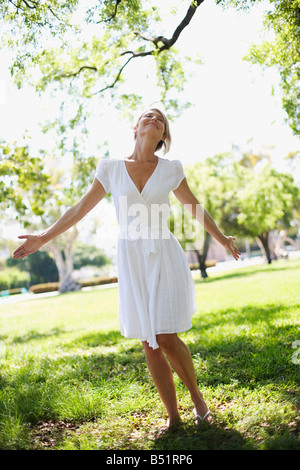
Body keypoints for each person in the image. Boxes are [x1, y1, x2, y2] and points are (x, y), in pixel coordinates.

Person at [13, 108, 241, 429]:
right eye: (148, 116)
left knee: (165, 336)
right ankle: (174, 417)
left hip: (163, 254)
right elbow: (80, 208)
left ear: (163, 136)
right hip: (132, 258)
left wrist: (223, 238)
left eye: (160, 120)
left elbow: (195, 208)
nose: (154, 119)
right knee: (149, 341)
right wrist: (43, 236)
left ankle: (197, 400)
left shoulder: (171, 170)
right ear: (135, 128)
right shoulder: (111, 168)